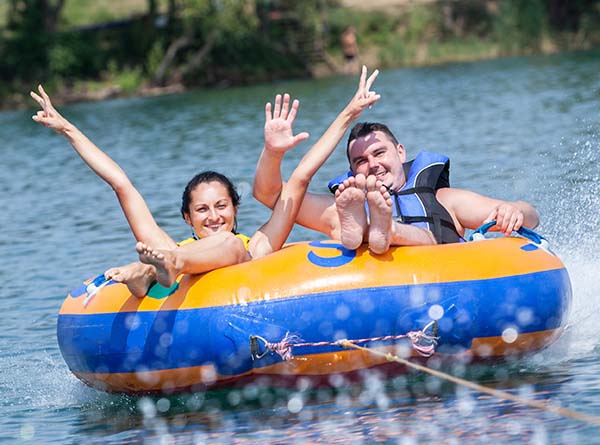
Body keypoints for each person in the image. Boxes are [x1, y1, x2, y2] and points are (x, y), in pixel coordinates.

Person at [30, 71, 380, 296]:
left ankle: (148, 274)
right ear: (188, 218)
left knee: (228, 246)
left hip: (174, 262)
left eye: (221, 206)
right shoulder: (167, 245)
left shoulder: (257, 245)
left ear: (235, 209)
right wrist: (68, 129)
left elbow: (301, 177)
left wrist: (348, 113)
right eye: (201, 209)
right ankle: (147, 274)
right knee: (173, 254)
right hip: (171, 260)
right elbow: (121, 184)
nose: (213, 216)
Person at [253, 76, 540, 255]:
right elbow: (272, 197)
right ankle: (371, 230)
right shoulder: (343, 206)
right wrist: (272, 153)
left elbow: (531, 216)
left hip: (446, 282)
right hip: (381, 292)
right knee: (349, 220)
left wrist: (513, 210)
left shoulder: (443, 200)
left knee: (414, 236)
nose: (373, 165)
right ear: (353, 173)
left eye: (379, 153)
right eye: (361, 161)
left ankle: (386, 230)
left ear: (400, 152)